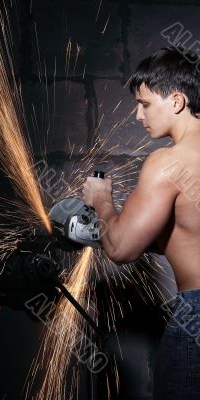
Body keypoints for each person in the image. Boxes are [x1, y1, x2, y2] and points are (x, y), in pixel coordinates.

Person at [82, 46, 200, 399]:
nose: (137, 115)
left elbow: (120, 248)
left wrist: (102, 202)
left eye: (145, 103)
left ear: (177, 101)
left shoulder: (168, 162)